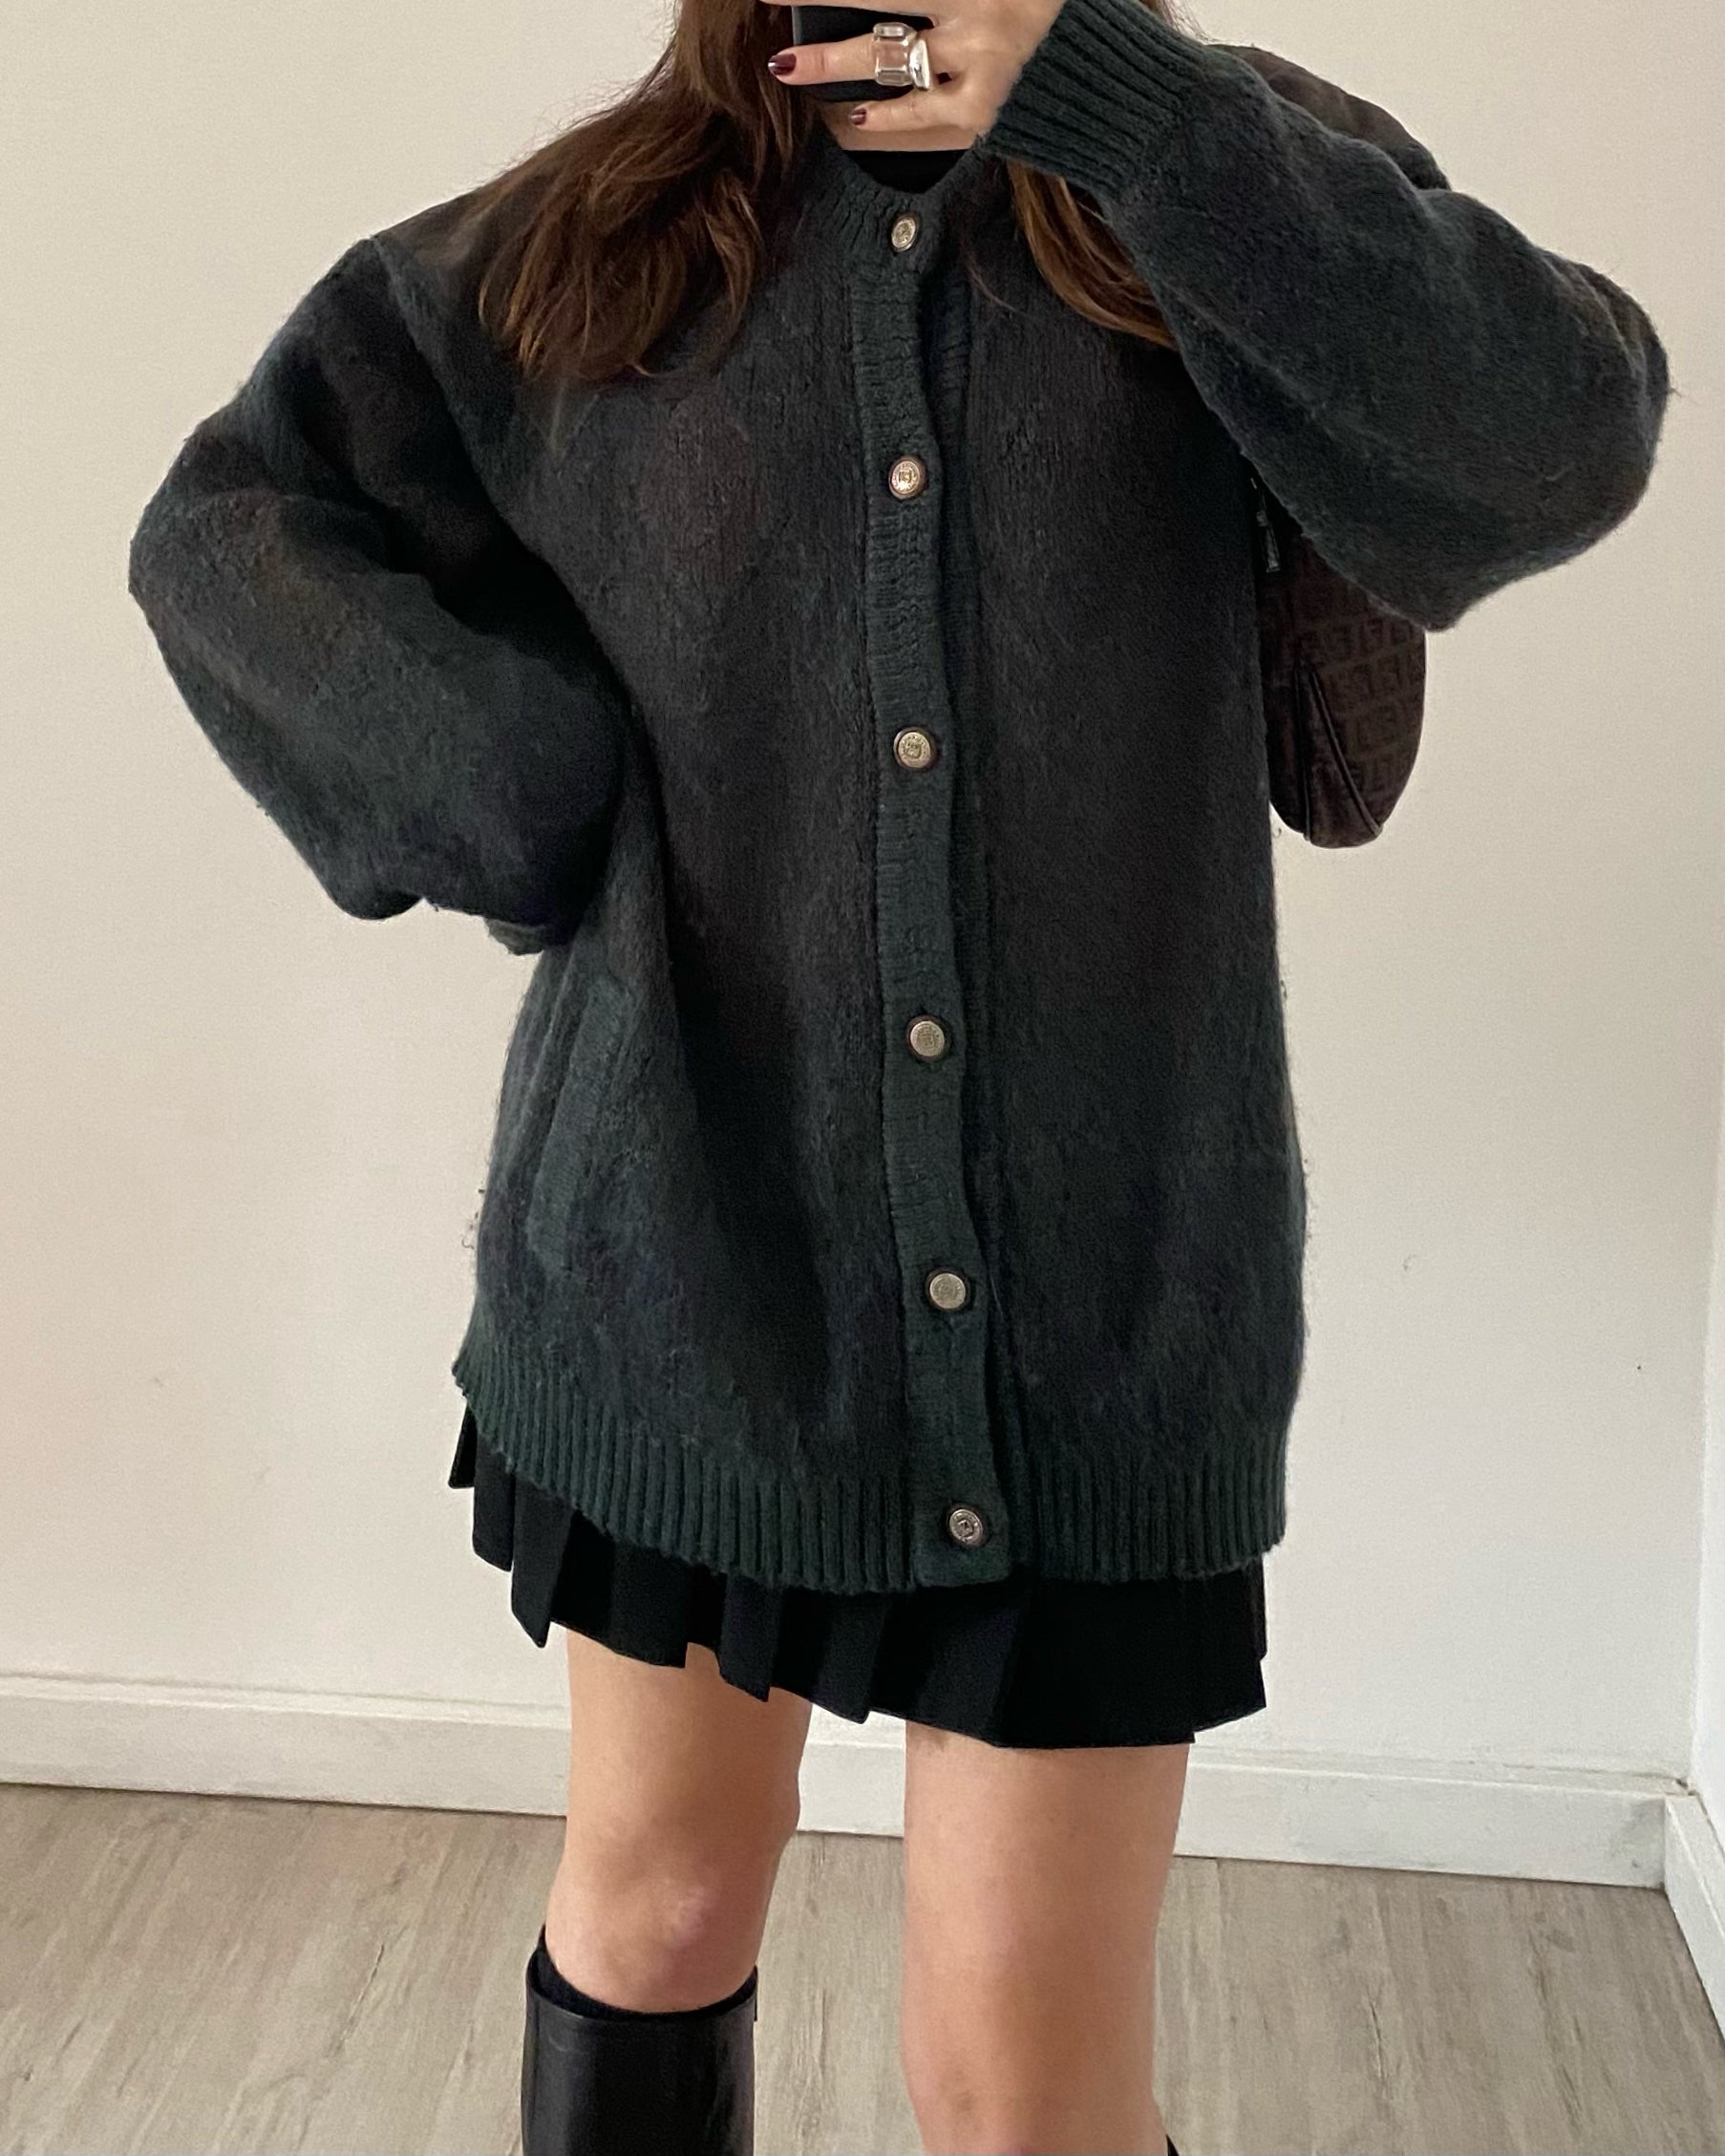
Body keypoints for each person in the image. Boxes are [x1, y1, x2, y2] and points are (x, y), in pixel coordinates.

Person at [125, 0, 1670, 2146]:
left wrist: (1121, 102)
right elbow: (230, 524)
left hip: (1098, 1332)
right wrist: (516, 790)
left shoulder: (1206, 172)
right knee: (659, 1914)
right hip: (679, 1275)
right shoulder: (595, 242)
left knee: (1022, 2084)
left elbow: (1567, 431)